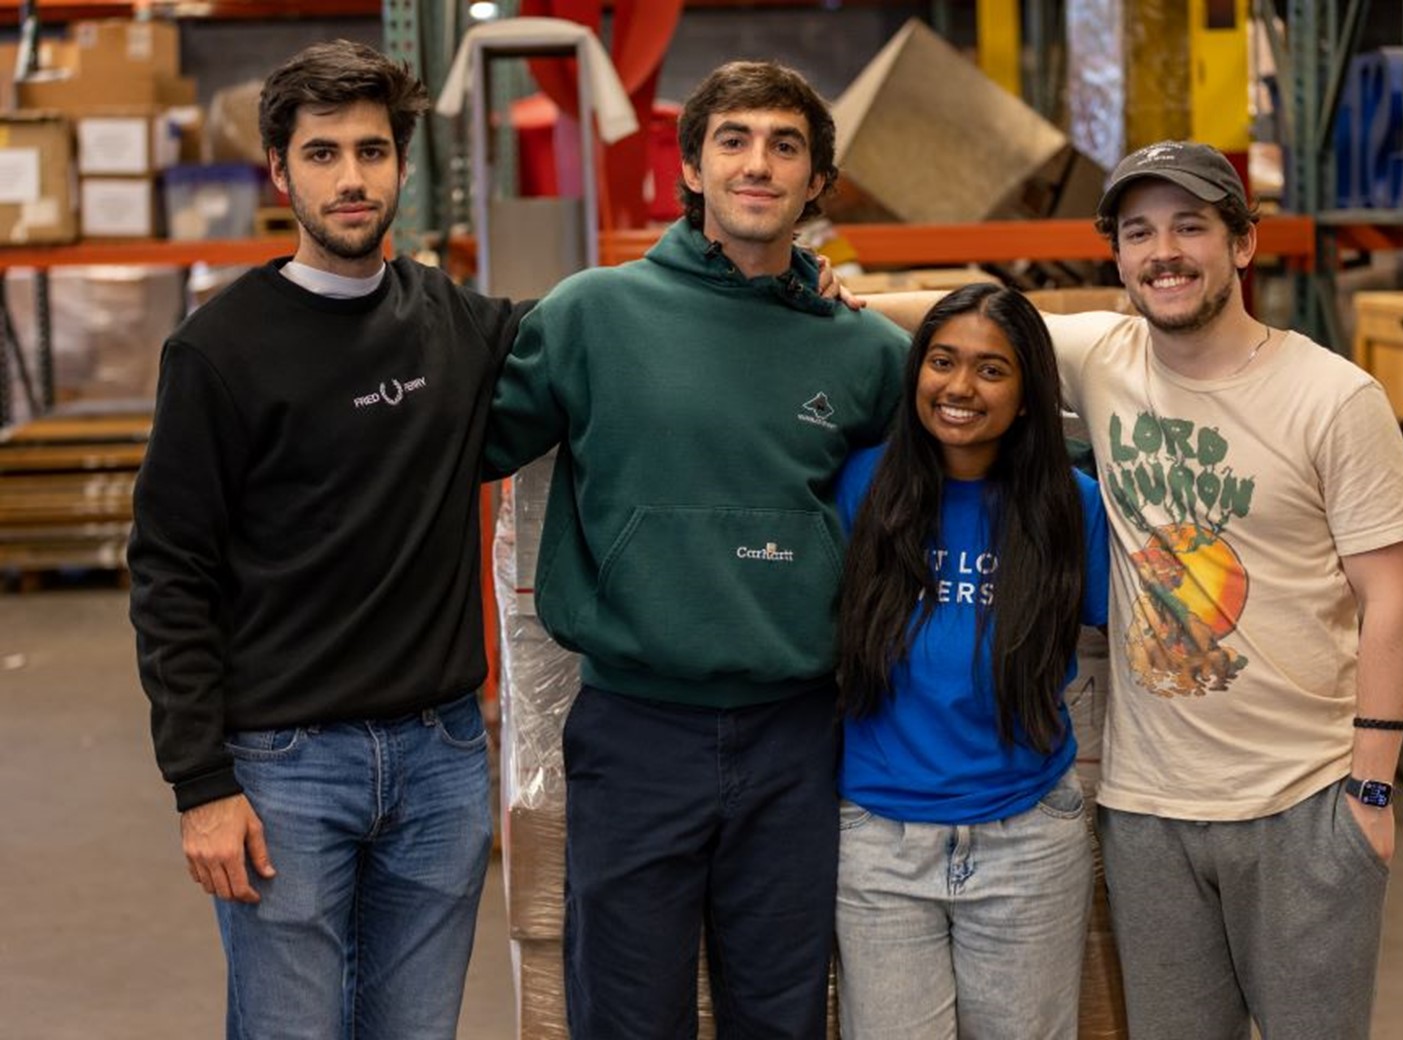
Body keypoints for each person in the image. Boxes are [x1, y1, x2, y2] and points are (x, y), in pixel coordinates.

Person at [866, 140, 1403, 1040]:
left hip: (1303, 802)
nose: (1163, 252)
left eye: (1190, 227)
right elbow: (955, 327)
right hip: (1148, 812)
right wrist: (835, 297)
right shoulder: (1104, 355)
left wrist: (1369, 791)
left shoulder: (1333, 398)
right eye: (1139, 232)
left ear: (1242, 243)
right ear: (1118, 256)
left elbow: (1394, 596)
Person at [482, 60, 910, 1037]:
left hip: (796, 736)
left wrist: (895, 300)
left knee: (783, 1014)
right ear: (691, 166)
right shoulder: (592, 314)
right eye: (734, 139)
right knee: (628, 1017)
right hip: (638, 731)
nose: (758, 164)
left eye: (785, 145)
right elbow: (456, 444)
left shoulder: (862, 353)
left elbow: (979, 426)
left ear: (815, 185)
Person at [127, 40, 525, 1039]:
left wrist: (791, 284)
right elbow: (170, 570)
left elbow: (610, 335)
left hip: (439, 758)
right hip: (284, 764)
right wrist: (201, 783)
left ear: (401, 165)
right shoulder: (219, 350)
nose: (351, 178)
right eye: (322, 154)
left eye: (373, 151)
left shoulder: (454, 324)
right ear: (279, 170)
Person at [831, 283, 1109, 1039]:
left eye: (991, 370)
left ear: (1026, 397)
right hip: (880, 842)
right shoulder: (864, 486)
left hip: (1026, 837)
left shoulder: (1068, 504)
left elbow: (1148, 635)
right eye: (942, 361)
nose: (959, 387)